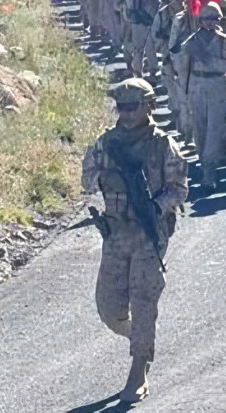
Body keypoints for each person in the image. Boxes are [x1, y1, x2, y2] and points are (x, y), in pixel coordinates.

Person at [82, 79, 189, 402]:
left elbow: (179, 189)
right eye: (122, 108)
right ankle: (138, 335)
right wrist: (105, 176)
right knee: (110, 309)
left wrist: (155, 206)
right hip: (115, 232)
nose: (126, 114)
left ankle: (139, 366)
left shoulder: (162, 145)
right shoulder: (106, 144)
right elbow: (86, 180)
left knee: (144, 301)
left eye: (134, 107)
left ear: (149, 107)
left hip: (148, 232)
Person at [173, 2, 226, 189]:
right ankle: (204, 163)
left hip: (217, 86)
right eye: (207, 19)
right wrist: (182, 94)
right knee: (199, 130)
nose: (211, 22)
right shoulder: (190, 41)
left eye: (214, 19)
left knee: (215, 130)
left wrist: (207, 57)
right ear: (200, 21)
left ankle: (209, 170)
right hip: (196, 86)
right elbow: (182, 68)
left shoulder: (225, 41)